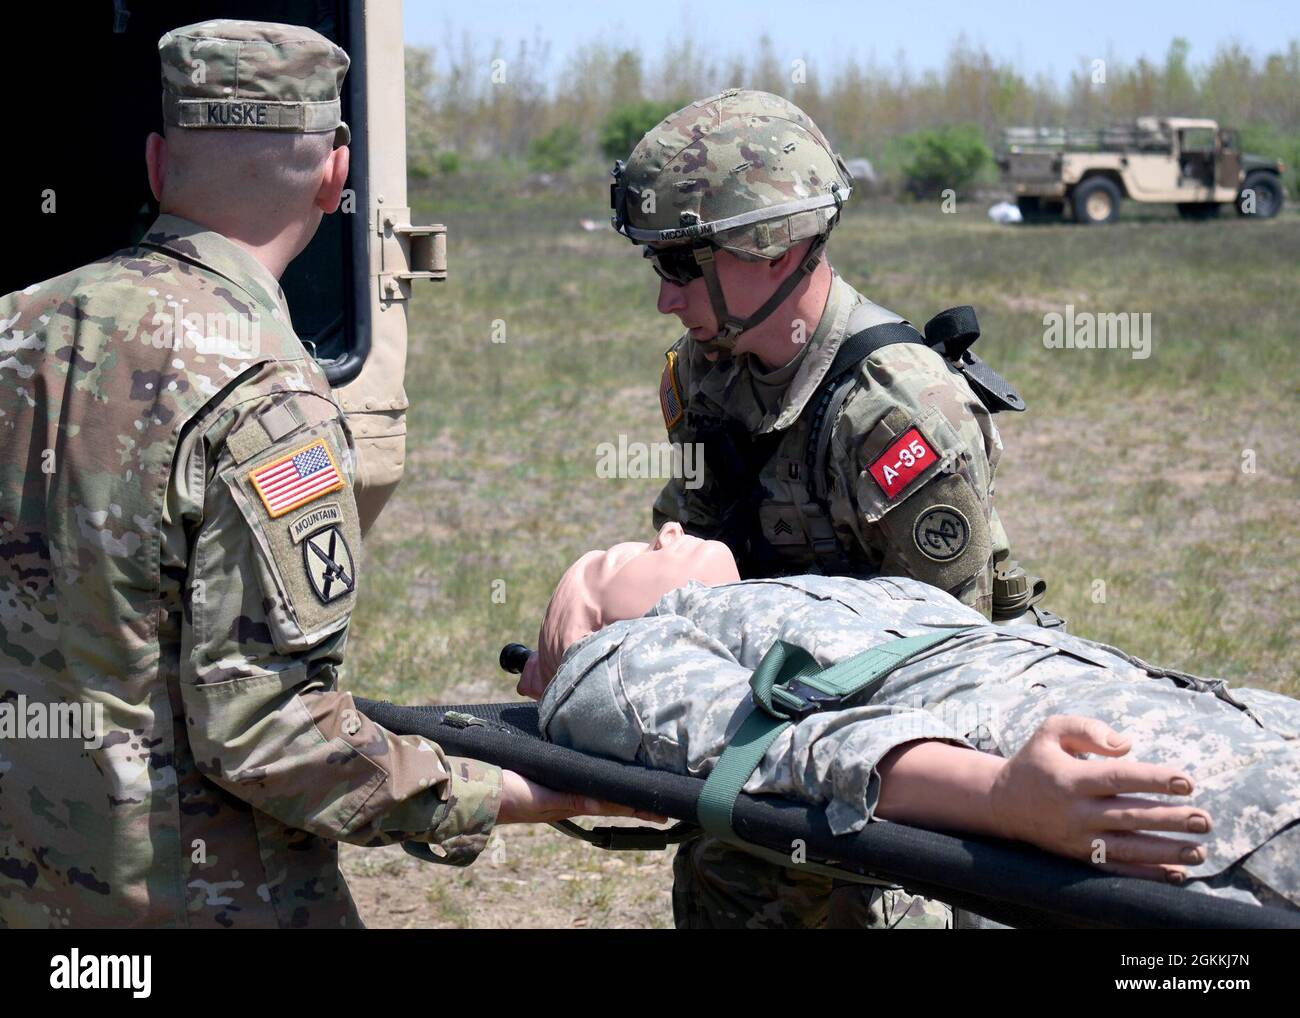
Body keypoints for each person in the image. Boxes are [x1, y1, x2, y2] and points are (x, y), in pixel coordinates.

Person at [0, 19, 642, 930]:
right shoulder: (267, 394)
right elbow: (266, 731)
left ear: (155, 162)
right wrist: (519, 792)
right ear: (338, 176)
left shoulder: (14, 326)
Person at [610, 87, 1052, 927]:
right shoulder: (707, 372)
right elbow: (697, 561)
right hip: (773, 741)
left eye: (678, 264)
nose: (665, 298)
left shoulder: (895, 414)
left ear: (773, 249)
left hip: (898, 778)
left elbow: (953, 677)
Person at [518, 524, 1300, 920]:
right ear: (586, 634)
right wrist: (998, 795)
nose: (668, 532)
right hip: (1169, 805)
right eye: (612, 561)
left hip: (1231, 724)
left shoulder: (819, 588)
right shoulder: (622, 657)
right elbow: (783, 752)